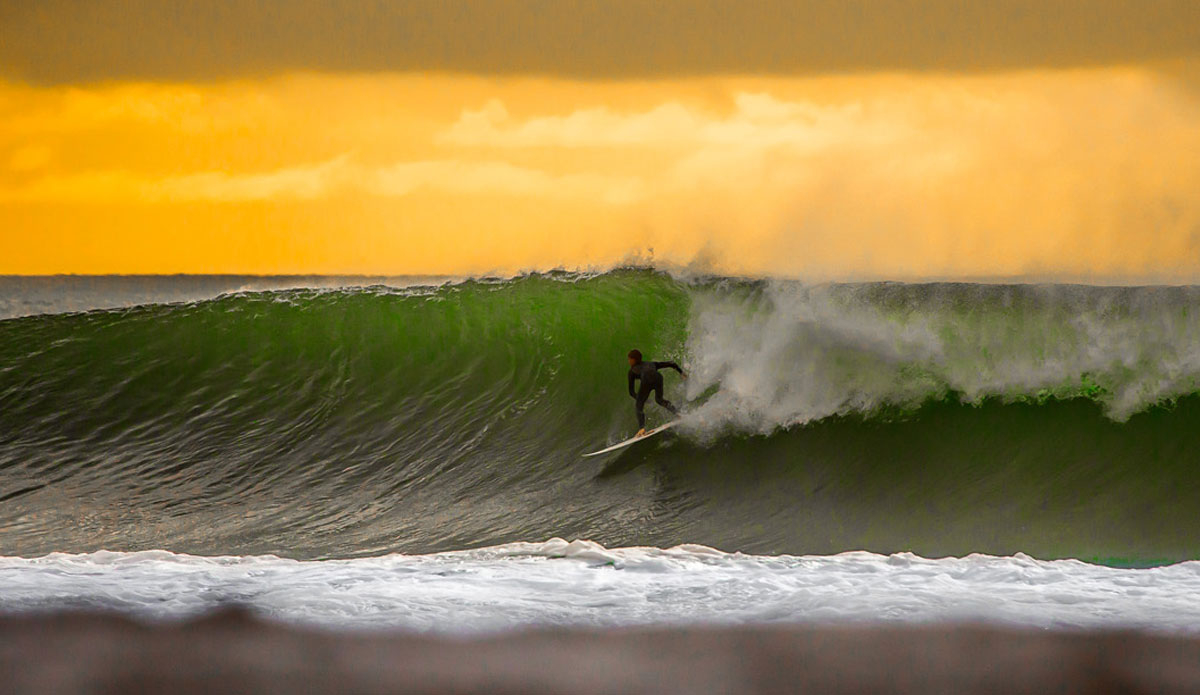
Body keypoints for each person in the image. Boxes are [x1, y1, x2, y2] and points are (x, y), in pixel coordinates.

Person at [627, 349, 685, 436]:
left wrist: (642, 400)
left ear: (634, 360)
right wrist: (681, 373)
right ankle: (678, 414)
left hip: (646, 380)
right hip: (658, 378)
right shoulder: (651, 364)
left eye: (629, 359)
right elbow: (671, 363)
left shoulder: (632, 371)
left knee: (638, 406)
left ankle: (642, 429)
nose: (628, 361)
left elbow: (631, 392)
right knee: (659, 400)